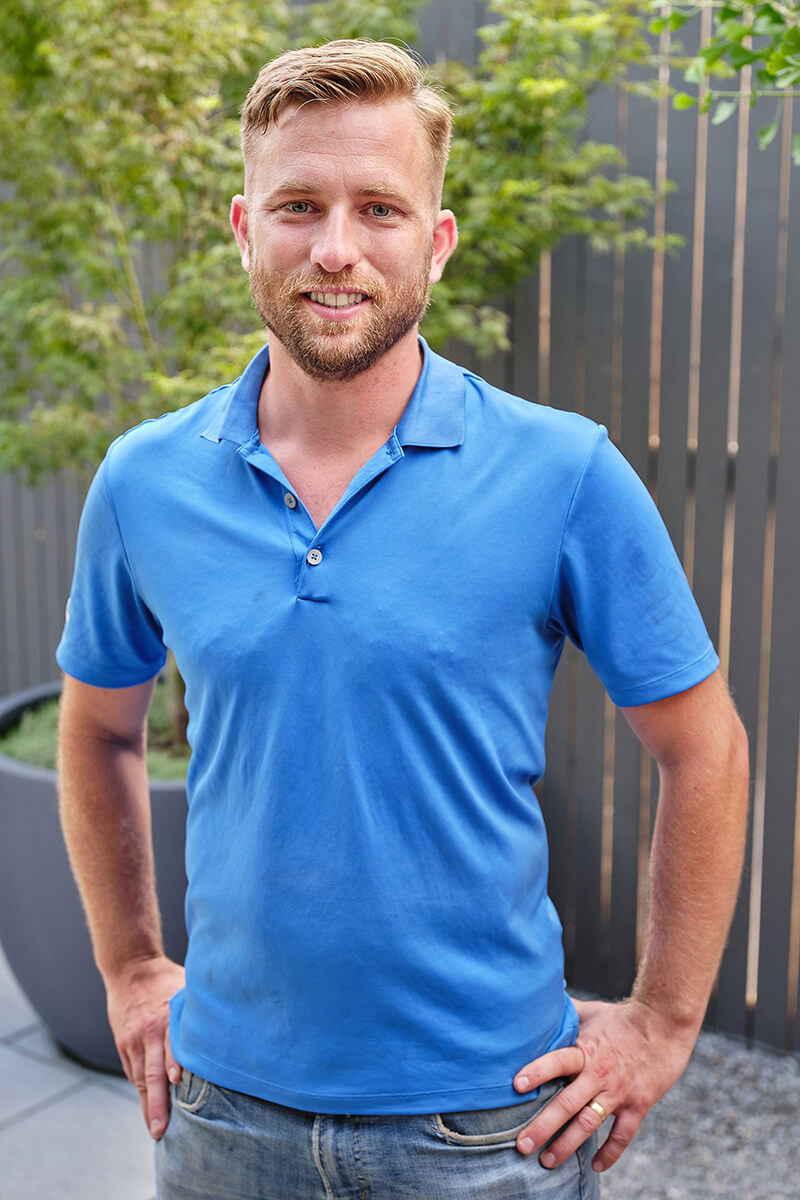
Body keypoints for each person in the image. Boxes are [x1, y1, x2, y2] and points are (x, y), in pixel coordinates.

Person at [57, 39, 749, 1200]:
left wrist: (662, 1020)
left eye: (378, 208)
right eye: (298, 206)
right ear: (243, 229)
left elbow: (704, 748)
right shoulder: (143, 481)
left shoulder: (563, 472)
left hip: (489, 1130)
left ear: (434, 240)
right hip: (222, 1117)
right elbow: (95, 732)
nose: (335, 248)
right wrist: (129, 969)